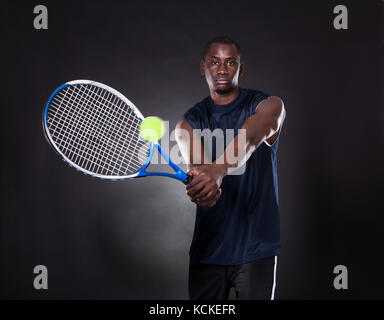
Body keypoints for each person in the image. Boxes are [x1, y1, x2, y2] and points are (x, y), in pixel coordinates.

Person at [175, 36, 286, 300]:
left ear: (240, 68)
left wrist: (217, 170)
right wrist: (202, 188)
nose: (222, 69)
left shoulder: (269, 106)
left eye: (230, 62)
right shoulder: (188, 124)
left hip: (256, 250)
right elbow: (201, 175)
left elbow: (250, 137)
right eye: (215, 62)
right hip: (208, 251)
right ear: (204, 67)